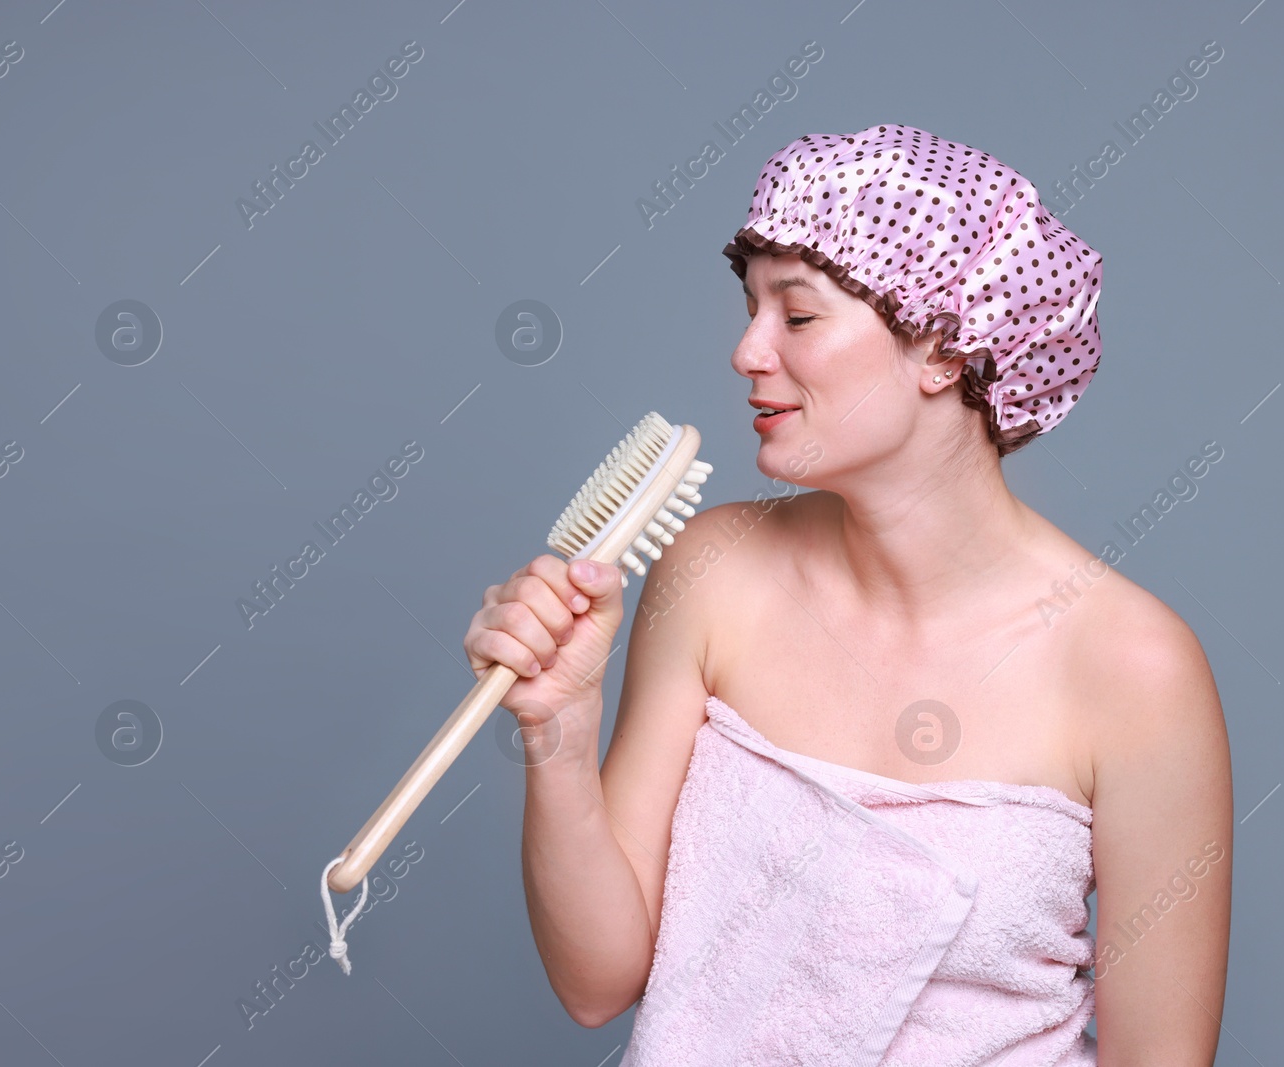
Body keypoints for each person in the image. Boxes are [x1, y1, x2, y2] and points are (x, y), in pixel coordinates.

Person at [464, 123, 1232, 1064]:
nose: (747, 352)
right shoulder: (715, 571)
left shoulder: (1133, 669)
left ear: (947, 347)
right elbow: (598, 983)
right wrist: (559, 729)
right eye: (750, 309)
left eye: (797, 316)